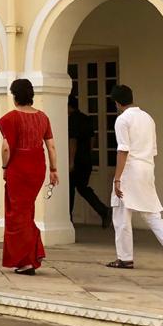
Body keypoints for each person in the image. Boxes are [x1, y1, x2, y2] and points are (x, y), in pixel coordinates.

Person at [105, 85, 163, 271]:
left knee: (121, 215)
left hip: (130, 169)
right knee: (152, 214)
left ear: (117, 102)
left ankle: (125, 258)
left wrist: (117, 178)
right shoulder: (148, 118)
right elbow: (153, 149)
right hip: (147, 167)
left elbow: (123, 150)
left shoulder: (122, 120)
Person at [0, 78, 59, 275]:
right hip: (37, 167)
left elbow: (7, 147)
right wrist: (53, 169)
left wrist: (5, 166)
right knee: (26, 211)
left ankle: (26, 260)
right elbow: (51, 146)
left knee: (17, 214)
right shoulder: (43, 117)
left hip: (19, 167)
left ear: (15, 96)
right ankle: (32, 255)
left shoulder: (11, 117)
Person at [68, 97, 111, 228]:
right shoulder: (86, 118)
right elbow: (93, 138)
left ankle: (67, 220)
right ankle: (103, 210)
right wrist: (88, 153)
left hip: (76, 161)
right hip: (86, 159)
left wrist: (70, 162)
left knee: (69, 191)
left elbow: (72, 142)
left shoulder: (72, 120)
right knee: (82, 188)